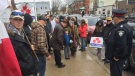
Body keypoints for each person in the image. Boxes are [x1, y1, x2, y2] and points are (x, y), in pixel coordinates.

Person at [6, 10, 38, 76]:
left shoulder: (21, 33)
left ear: (23, 21)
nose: (18, 22)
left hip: (28, 71)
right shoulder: (8, 37)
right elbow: (10, 59)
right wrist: (27, 66)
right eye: (16, 19)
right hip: (21, 72)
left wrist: (29, 47)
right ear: (10, 20)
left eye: (20, 20)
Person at [107, 9, 133, 76]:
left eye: (114, 18)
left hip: (117, 59)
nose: (113, 20)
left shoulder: (121, 29)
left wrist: (117, 56)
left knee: (115, 74)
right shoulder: (126, 27)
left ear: (116, 18)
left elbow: (122, 45)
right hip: (119, 58)